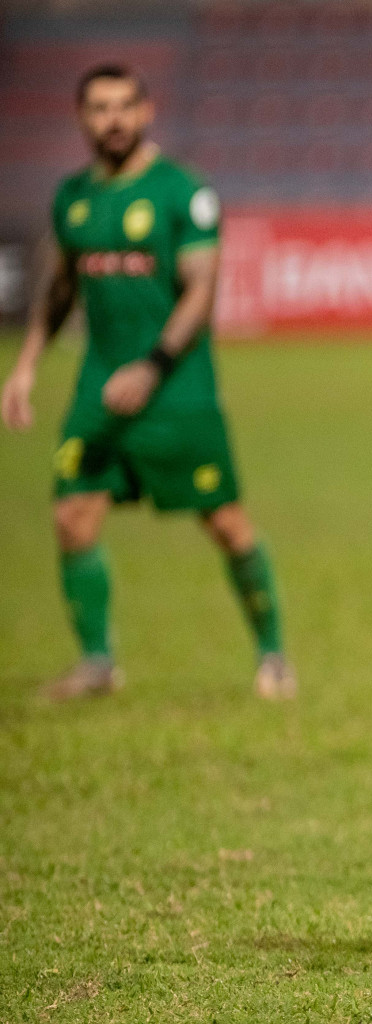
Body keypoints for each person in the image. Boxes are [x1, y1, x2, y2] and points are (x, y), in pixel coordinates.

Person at [1, 65, 295, 702]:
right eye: (99, 108)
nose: (113, 119)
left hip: (176, 390)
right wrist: (25, 365)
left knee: (225, 522)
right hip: (98, 388)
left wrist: (154, 365)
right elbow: (58, 291)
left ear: (147, 111)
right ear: (81, 117)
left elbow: (199, 291)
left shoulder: (183, 192)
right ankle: (97, 664)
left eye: (124, 106)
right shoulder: (74, 197)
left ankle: (273, 655)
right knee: (73, 516)